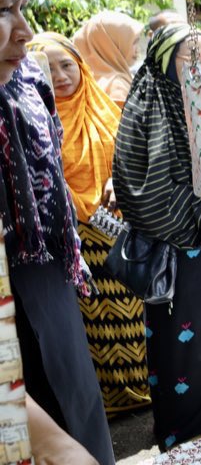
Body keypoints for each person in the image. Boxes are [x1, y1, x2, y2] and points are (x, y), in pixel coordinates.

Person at [0, 0, 115, 465]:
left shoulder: (27, 80)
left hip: (45, 266)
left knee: (73, 398)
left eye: (21, 6)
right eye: (4, 10)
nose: (25, 30)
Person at [113, 23, 201, 449]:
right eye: (191, 60)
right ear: (164, 64)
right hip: (174, 266)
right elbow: (144, 196)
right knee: (180, 356)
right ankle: (183, 440)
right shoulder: (147, 111)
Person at [25, 33, 150, 416]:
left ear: (81, 66)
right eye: (50, 69)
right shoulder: (31, 121)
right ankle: (108, 399)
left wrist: (118, 179)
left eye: (67, 65)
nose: (61, 76)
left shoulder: (104, 107)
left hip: (118, 229)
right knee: (93, 320)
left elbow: (131, 156)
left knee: (131, 313)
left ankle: (142, 387)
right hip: (73, 237)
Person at [73, 11, 144, 108]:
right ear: (111, 45)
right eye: (133, 42)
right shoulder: (117, 87)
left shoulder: (79, 81)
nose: (137, 49)